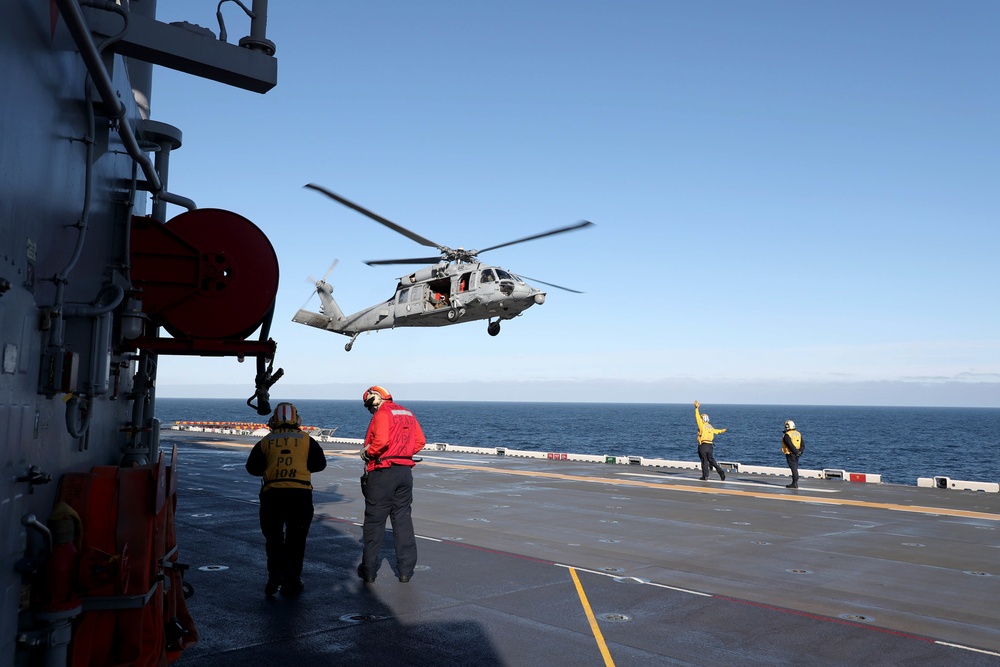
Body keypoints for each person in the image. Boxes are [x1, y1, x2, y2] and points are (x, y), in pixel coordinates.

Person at [245, 402, 328, 596]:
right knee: (296, 541)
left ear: (274, 420)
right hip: (300, 496)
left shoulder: (266, 441)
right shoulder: (307, 440)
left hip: (272, 496)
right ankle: (292, 581)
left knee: (273, 540)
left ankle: (274, 578)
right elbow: (319, 464)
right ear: (296, 419)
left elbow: (252, 469)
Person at [358, 385, 427, 584]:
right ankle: (405, 571)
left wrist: (368, 453)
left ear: (375, 397)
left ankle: (369, 571)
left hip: (382, 472)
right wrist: (402, 452)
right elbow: (420, 441)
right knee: (403, 520)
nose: (369, 409)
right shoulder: (407, 413)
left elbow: (380, 442)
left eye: (368, 404)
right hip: (404, 473)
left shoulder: (382, 414)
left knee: (374, 522)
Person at [694, 400, 727, 481]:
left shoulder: (702, 426)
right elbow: (716, 431)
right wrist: (721, 431)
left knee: (704, 461)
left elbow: (697, 417)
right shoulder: (710, 426)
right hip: (710, 446)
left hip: (703, 445)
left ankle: (705, 476)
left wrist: (696, 408)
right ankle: (720, 471)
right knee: (711, 460)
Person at [781, 420, 804, 488]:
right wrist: (800, 452)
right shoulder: (798, 433)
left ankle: (795, 482)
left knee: (793, 467)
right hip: (797, 453)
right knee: (795, 466)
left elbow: (789, 444)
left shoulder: (787, 435)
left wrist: (795, 452)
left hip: (790, 453)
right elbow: (802, 444)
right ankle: (794, 482)